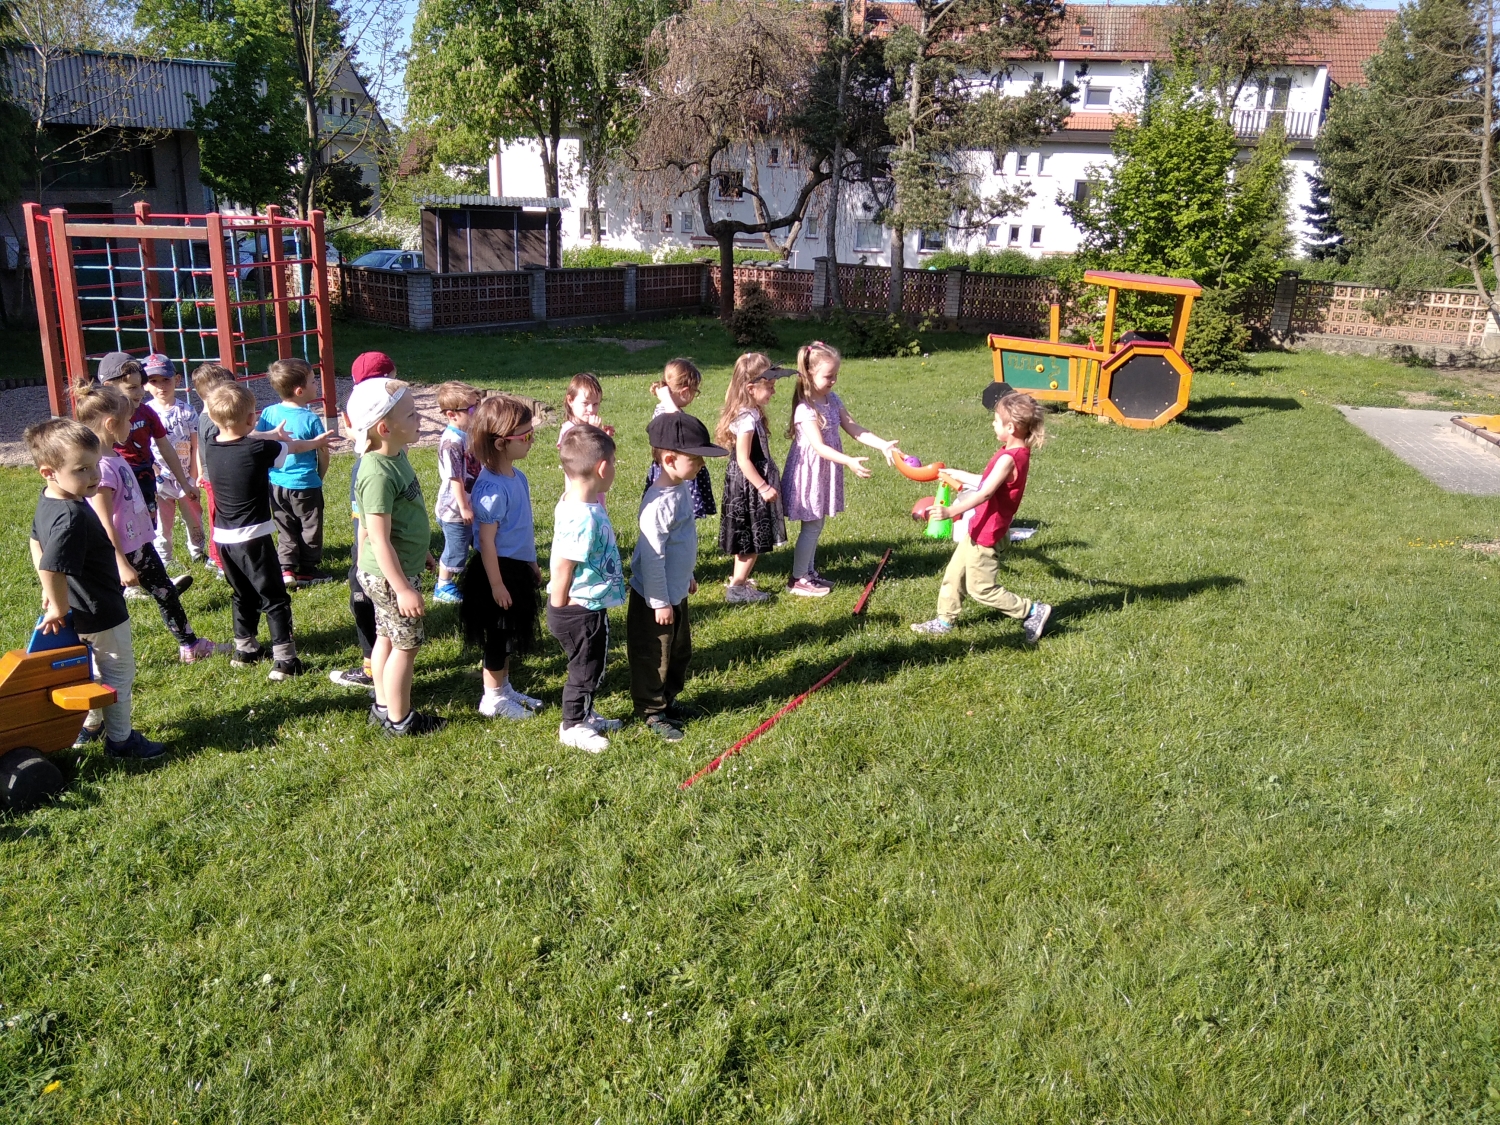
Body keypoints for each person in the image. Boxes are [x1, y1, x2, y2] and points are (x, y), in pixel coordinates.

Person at [25, 416, 164, 758]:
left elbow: (35, 542)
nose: (93, 476)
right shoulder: (71, 516)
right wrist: (57, 604)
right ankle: (121, 741)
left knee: (92, 670)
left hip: (80, 609)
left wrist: (51, 594)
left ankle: (90, 726)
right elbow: (51, 565)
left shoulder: (49, 500)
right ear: (48, 472)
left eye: (94, 466)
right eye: (81, 470)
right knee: (119, 673)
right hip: (101, 609)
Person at [74, 382, 229, 664]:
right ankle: (86, 657)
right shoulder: (101, 469)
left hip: (141, 546)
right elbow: (103, 522)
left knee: (166, 593)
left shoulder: (115, 455)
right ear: (111, 424)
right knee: (104, 609)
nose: (132, 425)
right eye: (128, 420)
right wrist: (121, 562)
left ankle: (190, 646)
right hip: (119, 555)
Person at [202, 381, 332, 680]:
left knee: (242, 593)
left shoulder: (211, 444)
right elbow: (294, 447)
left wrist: (269, 433)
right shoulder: (260, 448)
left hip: (223, 539)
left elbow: (240, 433)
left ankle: (245, 650)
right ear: (252, 418)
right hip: (254, 538)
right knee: (275, 598)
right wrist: (316, 443)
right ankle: (285, 661)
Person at [910, 387, 1052, 642]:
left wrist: (950, 511)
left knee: (981, 589)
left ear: (1011, 427)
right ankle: (944, 620)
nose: (993, 424)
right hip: (981, 525)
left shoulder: (1009, 458)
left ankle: (1031, 610)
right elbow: (987, 481)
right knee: (955, 574)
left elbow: (985, 493)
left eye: (996, 421)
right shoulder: (1013, 452)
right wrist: (958, 474)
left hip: (989, 532)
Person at [348, 376, 446, 736]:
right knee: (407, 646)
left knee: (386, 638)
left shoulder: (396, 456)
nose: (420, 418)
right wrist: (402, 588)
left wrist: (423, 552)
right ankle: (400, 720)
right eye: (411, 414)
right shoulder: (376, 474)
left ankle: (383, 705)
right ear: (385, 428)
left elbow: (400, 524)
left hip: (394, 570)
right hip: (390, 577)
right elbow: (376, 538)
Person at [627, 412, 728, 742]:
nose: (702, 465)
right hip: (655, 599)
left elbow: (679, 544)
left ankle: (668, 700)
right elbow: (652, 557)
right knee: (654, 656)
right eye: (695, 459)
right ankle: (651, 710)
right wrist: (659, 602)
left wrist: (687, 575)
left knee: (679, 652)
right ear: (670, 459)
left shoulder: (681, 487)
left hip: (675, 591)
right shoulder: (657, 504)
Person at [780, 341, 899, 597]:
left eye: (836, 375)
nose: (834, 380)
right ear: (809, 373)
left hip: (824, 470)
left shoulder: (831, 399)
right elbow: (819, 447)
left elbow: (853, 428)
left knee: (816, 524)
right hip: (810, 473)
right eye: (828, 376)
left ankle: (808, 572)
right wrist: (848, 461)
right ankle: (798, 579)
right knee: (812, 525)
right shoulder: (805, 409)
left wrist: (882, 445)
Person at [460, 394, 543, 721]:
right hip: (497, 572)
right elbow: (486, 540)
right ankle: (492, 698)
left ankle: (504, 688)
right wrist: (496, 585)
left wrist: (531, 562)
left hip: (516, 569)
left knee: (508, 634)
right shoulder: (492, 490)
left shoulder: (517, 477)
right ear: (500, 444)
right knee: (497, 635)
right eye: (525, 436)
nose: (531, 440)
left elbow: (522, 529)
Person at [547, 424, 627, 752]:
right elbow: (563, 565)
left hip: (584, 605)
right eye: (614, 463)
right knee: (585, 669)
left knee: (590, 664)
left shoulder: (575, 501)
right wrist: (561, 606)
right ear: (602, 468)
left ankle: (586, 714)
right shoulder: (583, 518)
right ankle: (573, 725)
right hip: (580, 609)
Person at [329, 351, 396, 692]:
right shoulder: (392, 448)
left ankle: (373, 666)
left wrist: (359, 565)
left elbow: (367, 528)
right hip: (394, 540)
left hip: (375, 549)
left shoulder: (368, 466)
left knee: (364, 591)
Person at [715, 352, 790, 604]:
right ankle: (737, 589)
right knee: (750, 540)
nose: (773, 391)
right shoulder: (746, 419)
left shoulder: (750, 412)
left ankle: (739, 581)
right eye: (769, 386)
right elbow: (743, 459)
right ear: (750, 388)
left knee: (746, 538)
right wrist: (763, 486)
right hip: (749, 486)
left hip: (747, 484)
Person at [254, 358, 330, 589]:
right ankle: (307, 571)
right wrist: (319, 476)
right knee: (310, 526)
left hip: (276, 483)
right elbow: (323, 453)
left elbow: (257, 440)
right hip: (306, 484)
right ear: (300, 391)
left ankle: (286, 568)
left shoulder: (269, 413)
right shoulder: (311, 418)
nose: (317, 385)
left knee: (284, 525)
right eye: (313, 381)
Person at [97, 352, 196, 527]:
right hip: (117, 480)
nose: (141, 392)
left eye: (141, 386)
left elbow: (165, 447)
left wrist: (184, 483)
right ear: (109, 387)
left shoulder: (146, 413)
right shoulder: (101, 419)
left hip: (146, 478)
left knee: (148, 525)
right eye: (132, 387)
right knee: (122, 525)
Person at [143, 355, 206, 567]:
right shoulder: (145, 413)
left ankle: (198, 552)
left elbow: (196, 446)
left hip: (186, 476)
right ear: (145, 384)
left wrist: (194, 478)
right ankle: (165, 558)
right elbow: (144, 448)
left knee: (194, 518)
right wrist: (155, 474)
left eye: (166, 380)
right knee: (162, 522)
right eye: (153, 381)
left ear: (177, 380)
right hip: (160, 479)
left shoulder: (187, 411)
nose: (161, 386)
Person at [644, 358, 716, 519]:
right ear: (684, 392)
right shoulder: (665, 410)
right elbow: (678, 423)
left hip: (680, 466)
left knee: (683, 511)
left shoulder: (672, 409)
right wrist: (666, 399)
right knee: (674, 510)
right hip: (673, 467)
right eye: (695, 391)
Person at [432, 380, 483, 604]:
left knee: (477, 541)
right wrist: (463, 507)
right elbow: (455, 478)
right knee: (456, 549)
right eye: (471, 409)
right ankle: (443, 585)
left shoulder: (466, 433)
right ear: (452, 415)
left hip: (469, 504)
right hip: (454, 510)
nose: (477, 411)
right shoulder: (452, 442)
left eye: (478, 404)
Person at [190, 363, 235, 574]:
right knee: (220, 518)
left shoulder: (204, 418)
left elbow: (200, 449)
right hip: (218, 479)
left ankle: (215, 556)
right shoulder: (212, 423)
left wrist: (200, 473)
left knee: (217, 516)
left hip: (211, 477)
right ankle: (219, 561)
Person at [556, 372, 615, 447]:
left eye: (595, 404)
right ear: (570, 400)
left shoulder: (587, 425)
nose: (591, 409)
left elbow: (600, 451)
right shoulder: (569, 431)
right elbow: (584, 451)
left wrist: (604, 436)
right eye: (585, 403)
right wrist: (593, 430)